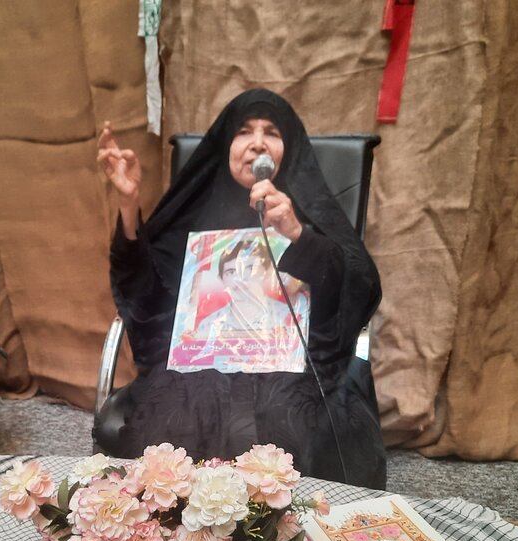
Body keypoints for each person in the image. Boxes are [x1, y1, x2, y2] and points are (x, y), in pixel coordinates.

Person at [93, 89, 386, 488]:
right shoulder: (191, 214)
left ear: (289, 149)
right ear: (225, 145)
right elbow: (148, 300)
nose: (258, 143)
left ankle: (280, 528)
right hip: (199, 369)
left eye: (272, 133)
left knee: (292, 430)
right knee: (171, 430)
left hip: (292, 367)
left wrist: (298, 234)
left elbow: (358, 290)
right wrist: (129, 206)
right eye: (244, 131)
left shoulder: (308, 215)